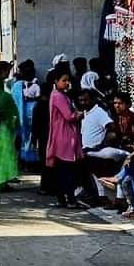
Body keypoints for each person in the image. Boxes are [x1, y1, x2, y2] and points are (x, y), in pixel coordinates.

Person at [47, 65, 83, 208]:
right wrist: (80, 114)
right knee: (66, 170)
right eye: (64, 80)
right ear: (56, 81)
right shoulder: (58, 96)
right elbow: (69, 116)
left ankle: (62, 198)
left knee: (62, 170)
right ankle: (71, 200)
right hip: (64, 136)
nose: (67, 83)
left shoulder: (59, 95)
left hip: (61, 135)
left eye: (68, 80)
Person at [0, 64, 20, 192]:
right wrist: (15, 125)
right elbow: (13, 114)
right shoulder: (5, 96)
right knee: (5, 155)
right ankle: (3, 180)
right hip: (4, 130)